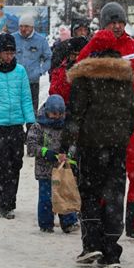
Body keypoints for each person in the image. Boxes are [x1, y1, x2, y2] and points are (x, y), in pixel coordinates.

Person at [77, 2, 134, 243]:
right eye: (113, 22)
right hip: (103, 125)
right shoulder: (93, 48)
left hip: (133, 123)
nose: (117, 26)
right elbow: (79, 77)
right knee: (105, 175)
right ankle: (103, 223)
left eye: (120, 22)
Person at [62, 48, 134, 268]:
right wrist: (122, 136)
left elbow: (75, 113)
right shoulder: (124, 78)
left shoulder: (85, 77)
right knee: (114, 195)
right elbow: (132, 114)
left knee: (90, 193)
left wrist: (67, 144)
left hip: (91, 145)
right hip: (117, 145)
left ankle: (91, 243)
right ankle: (111, 250)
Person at [0, 33, 35, 219]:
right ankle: (3, 204)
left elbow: (25, 97)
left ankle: (11, 200)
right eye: (6, 52)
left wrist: (30, 122)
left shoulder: (20, 71)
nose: (9, 56)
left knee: (16, 162)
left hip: (16, 123)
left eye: (12, 52)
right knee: (2, 163)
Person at [26, 95, 78, 234]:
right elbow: (31, 146)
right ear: (47, 111)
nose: (57, 117)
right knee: (46, 198)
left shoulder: (67, 126)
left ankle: (69, 222)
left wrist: (69, 155)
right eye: (54, 113)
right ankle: (45, 223)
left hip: (62, 169)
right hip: (45, 170)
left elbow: (74, 143)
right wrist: (45, 152)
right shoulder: (38, 126)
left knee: (64, 194)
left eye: (60, 114)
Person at [14, 13, 50, 114]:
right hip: (15, 81)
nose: (23, 29)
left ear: (32, 27)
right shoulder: (13, 38)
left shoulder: (41, 40)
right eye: (21, 26)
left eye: (26, 26)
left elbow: (48, 58)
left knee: (32, 112)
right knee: (15, 111)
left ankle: (31, 128)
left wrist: (41, 70)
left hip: (32, 81)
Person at [48, 36, 87, 105]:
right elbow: (53, 91)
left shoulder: (89, 71)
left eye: (79, 55)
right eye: (73, 55)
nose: (76, 58)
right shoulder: (61, 69)